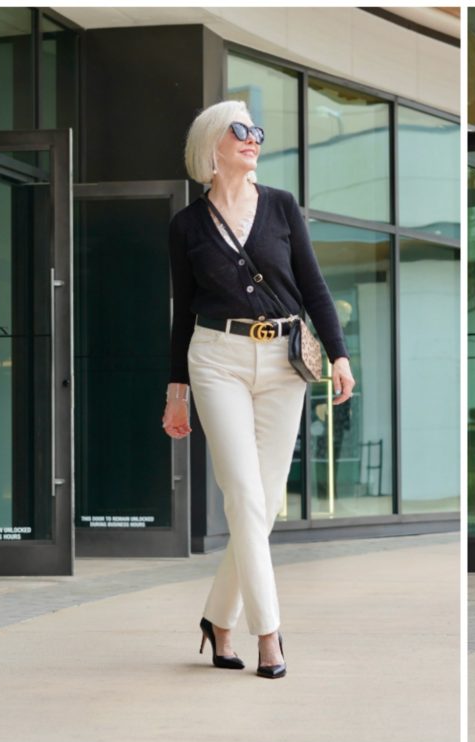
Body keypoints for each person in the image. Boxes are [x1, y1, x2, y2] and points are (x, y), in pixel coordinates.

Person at [162, 100, 355, 679]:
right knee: (244, 496)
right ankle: (268, 634)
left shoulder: (281, 206)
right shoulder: (187, 226)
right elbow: (181, 313)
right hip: (215, 359)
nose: (253, 140)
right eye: (239, 131)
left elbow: (314, 286)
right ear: (211, 146)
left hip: (284, 360)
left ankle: (218, 620)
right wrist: (177, 390)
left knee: (262, 505)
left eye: (256, 132)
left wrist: (340, 355)